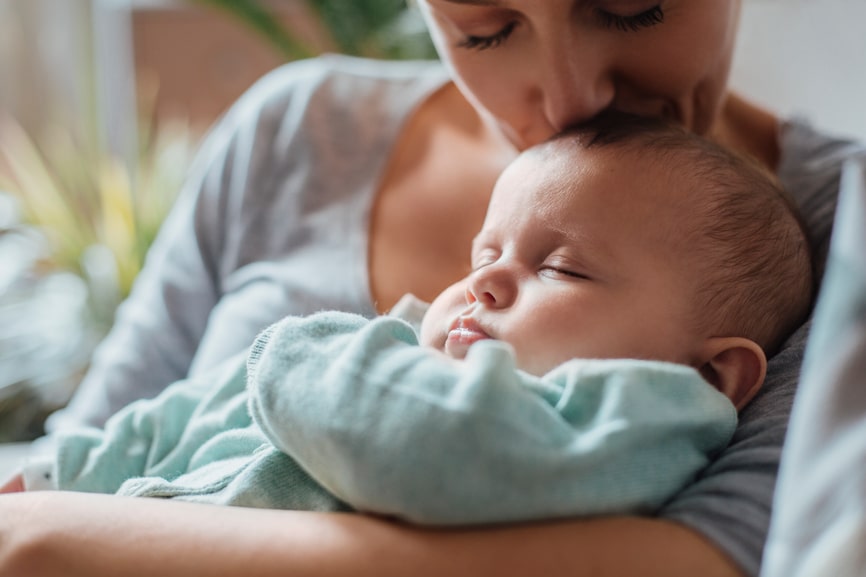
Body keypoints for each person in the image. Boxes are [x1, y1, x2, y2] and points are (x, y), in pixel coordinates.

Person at [1, 2, 863, 576]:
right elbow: (99, 444)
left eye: (631, 3)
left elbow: (704, 560)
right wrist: (51, 497)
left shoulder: (820, 238)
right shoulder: (293, 134)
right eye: (484, 27)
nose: (569, 95)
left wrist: (53, 537)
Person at [5, 117, 812, 527]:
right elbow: (181, 414)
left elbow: (429, 453)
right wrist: (54, 474)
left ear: (711, 374)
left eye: (559, 267)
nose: (483, 282)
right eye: (483, 252)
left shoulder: (633, 421)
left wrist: (297, 348)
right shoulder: (397, 346)